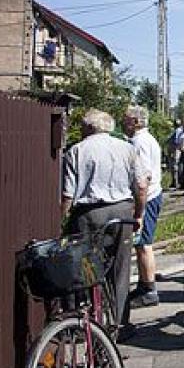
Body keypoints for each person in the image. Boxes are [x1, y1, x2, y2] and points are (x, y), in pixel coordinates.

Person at [60, 109, 145, 331]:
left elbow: (68, 195)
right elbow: (142, 186)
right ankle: (119, 323)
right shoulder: (127, 149)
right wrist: (138, 214)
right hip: (121, 212)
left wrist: (63, 222)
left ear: (89, 127)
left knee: (85, 268)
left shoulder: (76, 151)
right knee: (121, 267)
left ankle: (88, 322)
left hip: (87, 215)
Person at [122, 105, 164, 309]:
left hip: (148, 197)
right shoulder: (145, 140)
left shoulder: (139, 143)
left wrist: (140, 207)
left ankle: (149, 289)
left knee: (144, 243)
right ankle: (143, 284)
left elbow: (143, 178)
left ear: (136, 122)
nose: (123, 122)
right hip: (150, 195)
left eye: (127, 119)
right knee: (141, 244)